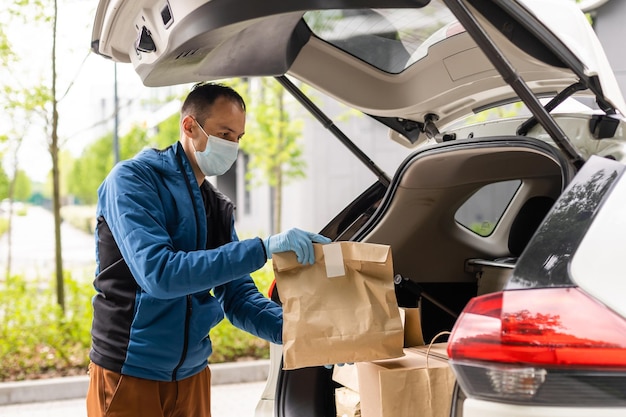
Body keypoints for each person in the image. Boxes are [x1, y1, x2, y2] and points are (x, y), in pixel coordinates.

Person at [86, 82, 331, 417]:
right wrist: (263, 248)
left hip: (192, 376)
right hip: (129, 372)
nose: (232, 146)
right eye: (225, 133)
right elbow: (160, 274)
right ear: (190, 126)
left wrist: (314, 336)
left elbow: (238, 298)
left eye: (238, 138)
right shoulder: (132, 181)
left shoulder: (216, 206)